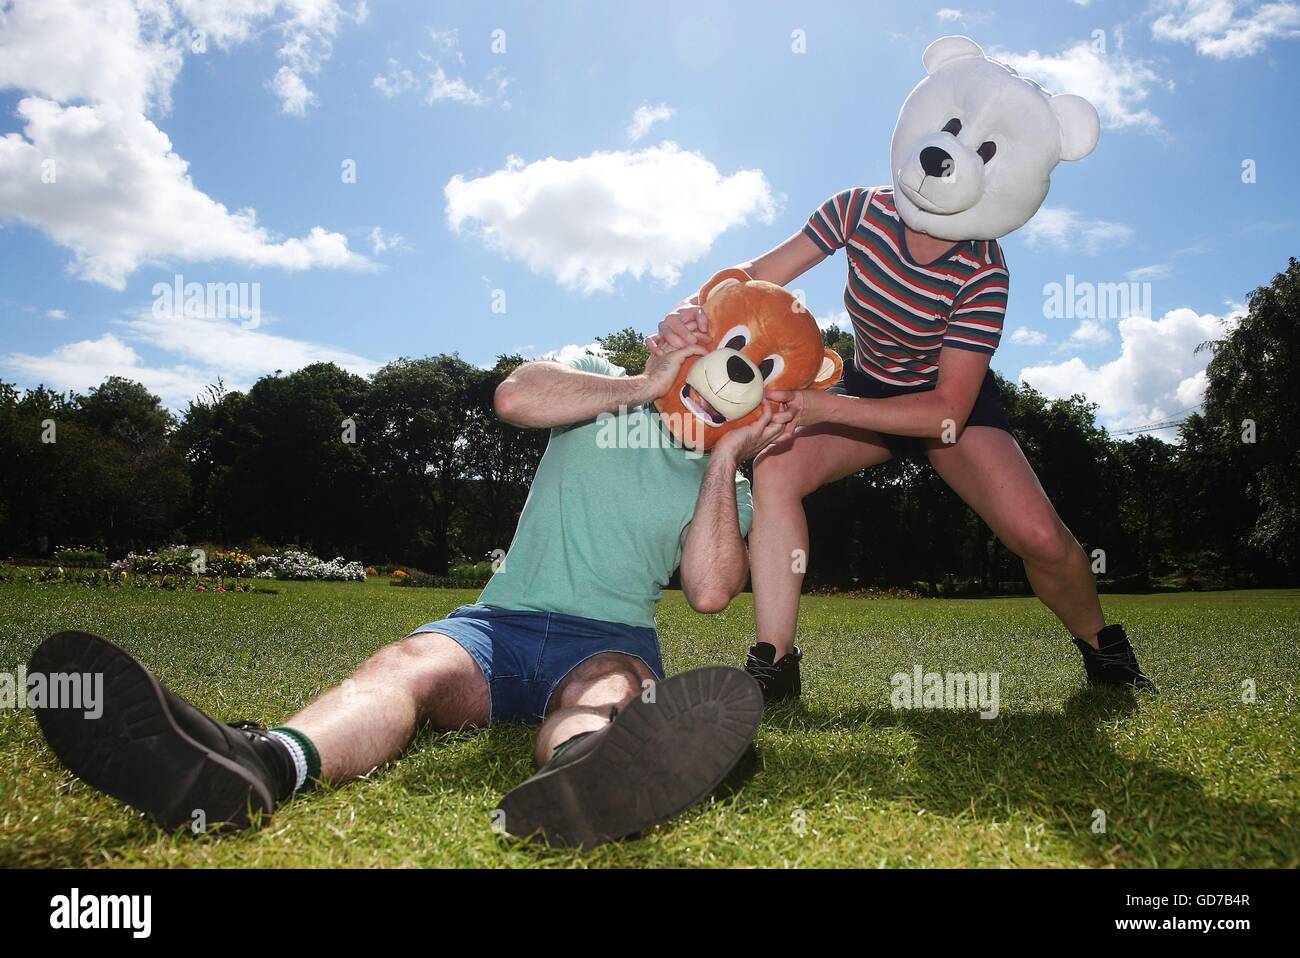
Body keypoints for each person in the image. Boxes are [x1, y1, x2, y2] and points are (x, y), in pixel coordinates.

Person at [30, 338, 787, 849]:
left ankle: (586, 777)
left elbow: (713, 591)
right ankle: (264, 766)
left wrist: (723, 463)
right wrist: (648, 384)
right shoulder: (600, 378)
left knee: (609, 690)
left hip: (608, 639)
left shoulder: (732, 485)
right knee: (407, 665)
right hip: (498, 626)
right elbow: (516, 397)